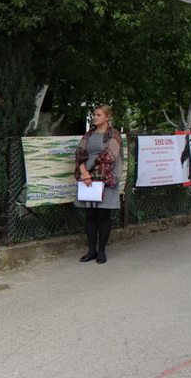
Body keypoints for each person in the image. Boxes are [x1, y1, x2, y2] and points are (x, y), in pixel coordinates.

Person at [74, 105, 123, 264]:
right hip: (87, 179)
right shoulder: (88, 135)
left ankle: (101, 251)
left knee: (103, 215)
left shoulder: (113, 134)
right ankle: (91, 251)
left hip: (105, 179)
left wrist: (90, 172)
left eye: (98, 115)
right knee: (90, 215)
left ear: (107, 117)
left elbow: (109, 156)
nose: (95, 117)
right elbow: (79, 154)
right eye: (94, 115)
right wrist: (84, 172)